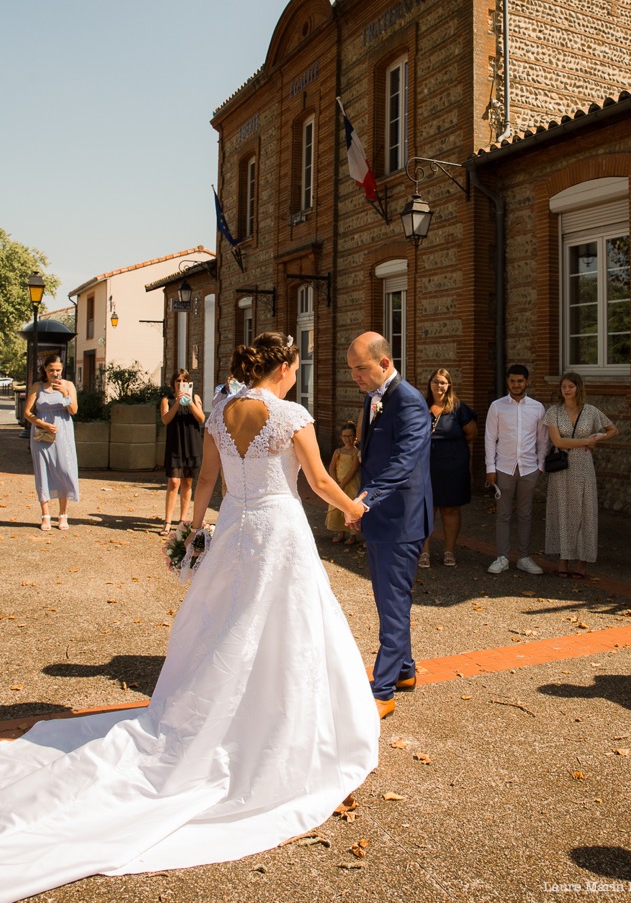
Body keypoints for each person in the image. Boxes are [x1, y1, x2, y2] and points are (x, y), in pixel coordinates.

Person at [0, 332, 378, 901]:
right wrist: (354, 508)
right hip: (280, 531)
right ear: (285, 366)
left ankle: (225, 712)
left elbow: (206, 481)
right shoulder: (291, 413)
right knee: (287, 626)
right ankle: (278, 726)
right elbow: (321, 481)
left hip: (235, 529)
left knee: (227, 628)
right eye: (297, 362)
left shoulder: (221, 412)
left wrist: (190, 531)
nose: (299, 371)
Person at [347, 332, 433, 720]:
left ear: (384, 363)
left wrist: (366, 500)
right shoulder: (373, 398)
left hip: (401, 518)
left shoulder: (411, 402)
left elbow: (404, 461)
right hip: (381, 516)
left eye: (360, 369)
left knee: (393, 602)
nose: (356, 377)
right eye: (351, 370)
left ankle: (381, 692)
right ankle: (405, 671)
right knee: (389, 599)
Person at [543, 372, 617, 579]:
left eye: (571, 386)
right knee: (563, 512)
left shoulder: (591, 411)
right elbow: (558, 442)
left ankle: (582, 561)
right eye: (564, 386)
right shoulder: (553, 412)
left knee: (585, 513)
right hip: (562, 469)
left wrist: (597, 437)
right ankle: (563, 560)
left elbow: (613, 430)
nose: (567, 390)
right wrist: (586, 442)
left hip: (584, 468)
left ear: (578, 388)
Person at [484, 364, 549, 575]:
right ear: (508, 382)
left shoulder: (537, 408)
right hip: (503, 468)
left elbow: (542, 439)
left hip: (529, 469)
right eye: (512, 381)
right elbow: (490, 438)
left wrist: (540, 465)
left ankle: (524, 557)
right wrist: (490, 467)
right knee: (503, 515)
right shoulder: (497, 406)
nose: (516, 384)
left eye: (520, 381)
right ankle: (502, 557)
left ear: (527, 382)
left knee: (525, 514)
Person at [418, 368, 477, 568]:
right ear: (430, 384)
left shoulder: (459, 408)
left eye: (443, 382)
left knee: (450, 509)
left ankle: (449, 551)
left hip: (453, 466)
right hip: (426, 465)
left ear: (449, 385)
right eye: (436, 382)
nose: (439, 386)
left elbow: (471, 433)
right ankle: (424, 552)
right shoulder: (421, 406)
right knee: (426, 508)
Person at [24, 353, 79, 531]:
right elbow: (27, 412)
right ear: (45, 370)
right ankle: (45, 515)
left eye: (58, 370)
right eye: (51, 370)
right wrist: (41, 423)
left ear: (62, 370)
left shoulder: (68, 385)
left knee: (64, 470)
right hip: (42, 434)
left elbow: (73, 410)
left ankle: (63, 514)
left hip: (63, 434)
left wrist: (64, 393)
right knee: (43, 471)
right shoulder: (38, 387)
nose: (55, 373)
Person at [160, 369, 205, 535]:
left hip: (191, 444)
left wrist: (190, 402)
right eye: (178, 381)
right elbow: (165, 419)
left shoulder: (195, 398)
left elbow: (201, 419)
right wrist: (178, 403)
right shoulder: (167, 400)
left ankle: (182, 520)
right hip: (175, 444)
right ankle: (167, 521)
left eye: (184, 380)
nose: (180, 383)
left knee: (187, 482)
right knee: (173, 482)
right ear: (173, 383)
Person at [325, 420, 361, 543]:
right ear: (341, 437)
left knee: (349, 507)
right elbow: (331, 468)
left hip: (350, 484)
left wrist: (343, 484)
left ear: (355, 437)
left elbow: (353, 470)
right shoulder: (338, 452)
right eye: (345, 436)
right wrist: (335, 483)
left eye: (350, 436)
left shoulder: (356, 452)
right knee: (339, 508)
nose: (347, 439)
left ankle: (352, 535)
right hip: (338, 484)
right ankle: (341, 533)